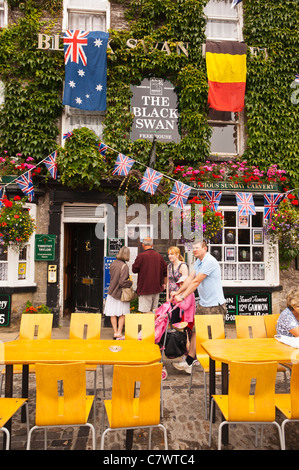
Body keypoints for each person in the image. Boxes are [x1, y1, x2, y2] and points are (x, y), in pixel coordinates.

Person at [171, 238, 226, 373]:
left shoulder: (209, 261)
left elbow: (195, 282)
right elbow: (189, 278)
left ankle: (221, 364)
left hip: (215, 304)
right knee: (196, 331)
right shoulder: (198, 262)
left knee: (216, 335)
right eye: (193, 248)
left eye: (197, 248)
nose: (194, 250)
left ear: (205, 249)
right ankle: (189, 361)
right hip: (203, 303)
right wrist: (177, 293)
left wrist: (182, 297)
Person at [132, 237, 167, 312]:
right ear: (152, 245)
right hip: (157, 288)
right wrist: (165, 283)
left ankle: (147, 324)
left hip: (145, 288)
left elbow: (134, 270)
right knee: (154, 311)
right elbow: (166, 271)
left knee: (145, 312)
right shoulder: (159, 256)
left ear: (143, 245)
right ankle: (153, 324)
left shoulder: (141, 256)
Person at [104, 246, 133, 339]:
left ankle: (115, 332)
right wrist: (130, 282)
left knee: (113, 313)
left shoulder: (113, 264)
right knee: (122, 314)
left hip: (111, 292)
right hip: (120, 294)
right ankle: (119, 333)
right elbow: (122, 282)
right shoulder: (124, 266)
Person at [166, 246, 189, 324]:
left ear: (177, 254)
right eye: (169, 254)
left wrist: (181, 296)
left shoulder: (183, 266)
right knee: (172, 320)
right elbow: (168, 282)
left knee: (179, 320)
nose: (169, 256)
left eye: (172, 254)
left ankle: (180, 335)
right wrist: (168, 297)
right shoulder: (169, 266)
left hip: (179, 297)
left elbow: (185, 283)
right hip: (172, 296)